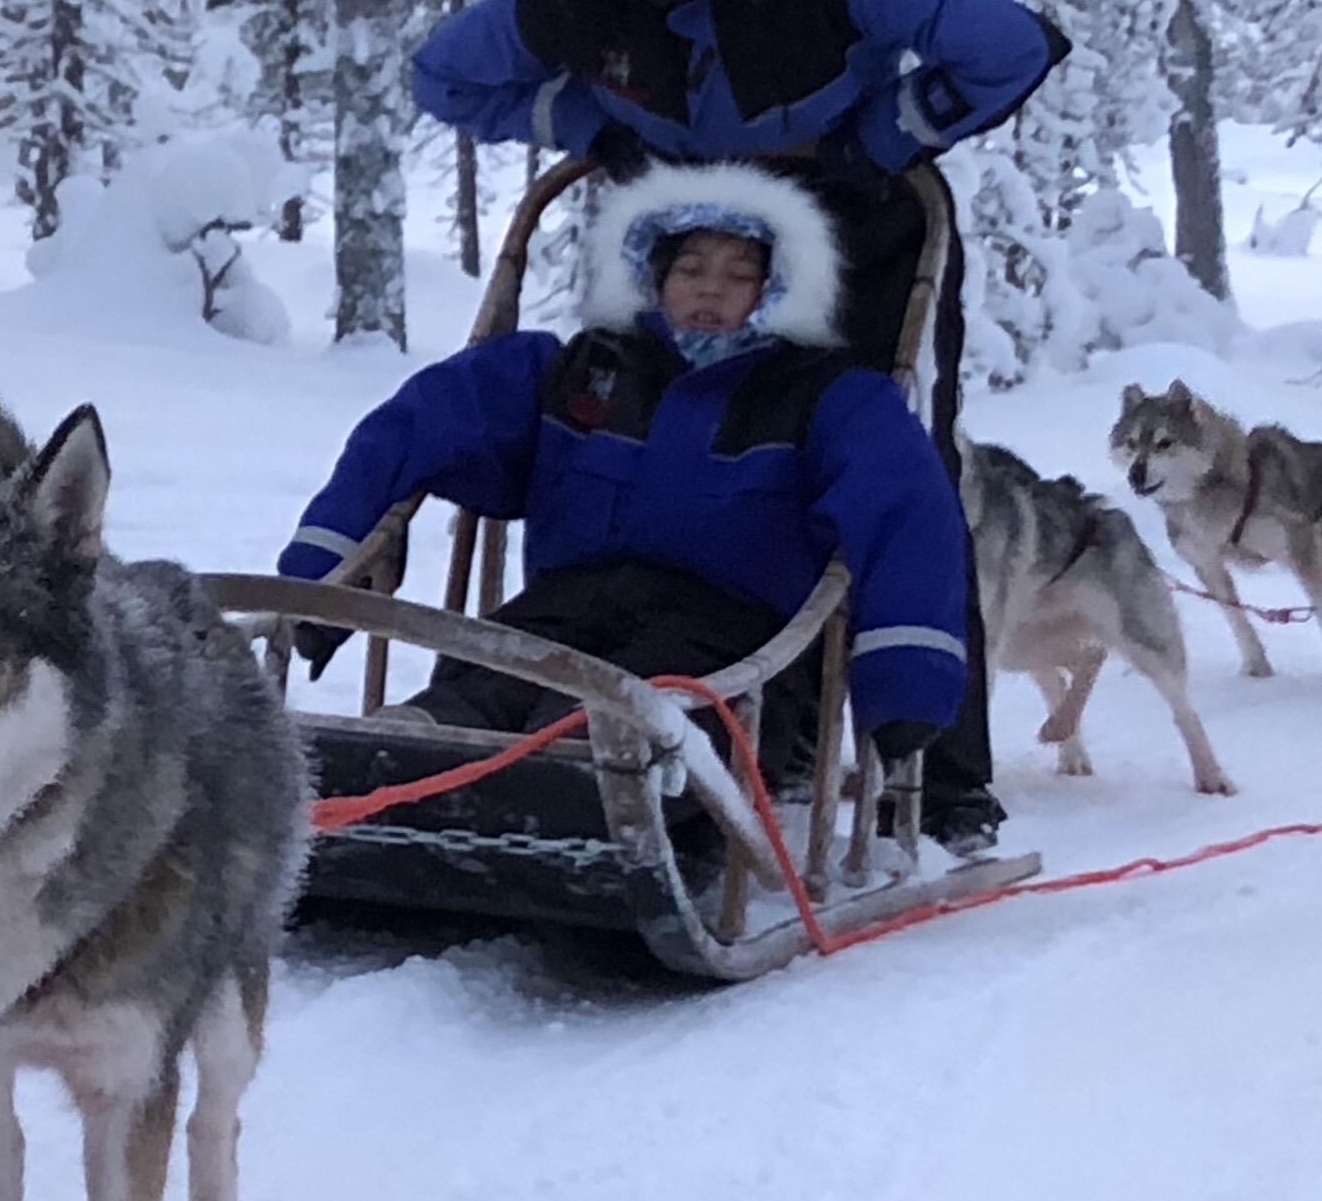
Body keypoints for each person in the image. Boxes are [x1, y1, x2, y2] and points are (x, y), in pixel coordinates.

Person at [410, 0, 1065, 853]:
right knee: (626, 463)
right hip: (668, 263)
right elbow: (444, 76)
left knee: (889, 483)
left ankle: (936, 773)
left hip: (853, 245)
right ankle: (574, 702)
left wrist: (887, 132)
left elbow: (1008, 45)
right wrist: (586, 125)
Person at [280, 166, 971, 810]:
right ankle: (397, 761)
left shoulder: (831, 399)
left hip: (725, 640)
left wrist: (906, 680)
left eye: (739, 274)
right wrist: (326, 579)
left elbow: (908, 516)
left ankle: (573, 784)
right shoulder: (580, 374)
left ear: (778, 287)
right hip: (561, 611)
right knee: (481, 688)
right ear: (653, 276)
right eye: (691, 269)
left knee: (609, 719)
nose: (709, 288)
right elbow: (413, 427)